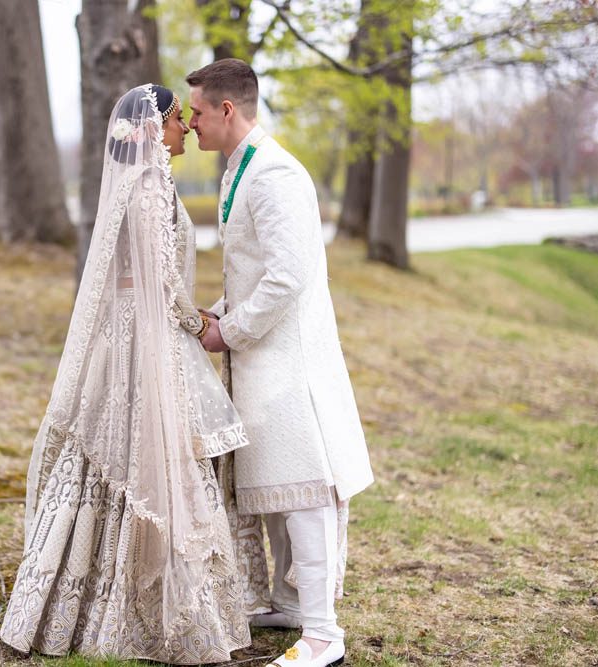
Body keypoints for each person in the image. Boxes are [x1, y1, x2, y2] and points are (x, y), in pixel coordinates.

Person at [0, 84, 256, 664]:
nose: (186, 127)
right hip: (142, 346)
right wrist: (201, 325)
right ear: (149, 131)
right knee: (144, 461)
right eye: (175, 119)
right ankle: (122, 612)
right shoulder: (147, 193)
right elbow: (159, 286)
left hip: (142, 339)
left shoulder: (145, 188)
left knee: (136, 460)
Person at [187, 59, 375, 667]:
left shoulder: (274, 175)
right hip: (261, 361)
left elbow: (289, 276)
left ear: (226, 110)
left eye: (195, 110)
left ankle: (323, 633)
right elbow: (250, 268)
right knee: (271, 485)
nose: (188, 123)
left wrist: (230, 332)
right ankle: (288, 606)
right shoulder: (240, 170)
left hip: (290, 363)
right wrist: (213, 315)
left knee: (305, 489)